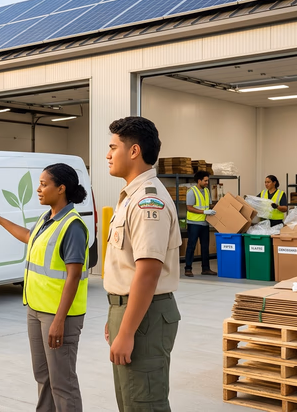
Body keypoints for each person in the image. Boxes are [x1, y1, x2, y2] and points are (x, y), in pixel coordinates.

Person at [0, 163, 89, 412]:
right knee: (43, 377)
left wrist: (59, 320)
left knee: (62, 382)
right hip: (36, 310)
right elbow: (28, 237)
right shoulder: (47, 217)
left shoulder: (72, 226)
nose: (38, 189)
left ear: (61, 188)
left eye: (43, 184)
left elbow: (73, 276)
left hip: (59, 315)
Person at [104, 117, 182, 412]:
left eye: (113, 147)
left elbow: (148, 273)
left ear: (133, 151)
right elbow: (126, 267)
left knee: (144, 403)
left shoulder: (148, 202)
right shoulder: (130, 197)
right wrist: (117, 314)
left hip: (146, 317)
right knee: (129, 399)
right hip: (131, 310)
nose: (108, 155)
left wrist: (126, 331)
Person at [184, 171, 217, 277]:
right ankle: (188, 268)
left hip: (204, 223)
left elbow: (208, 205)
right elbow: (189, 207)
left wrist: (216, 207)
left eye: (207, 180)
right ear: (199, 180)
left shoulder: (207, 191)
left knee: (205, 247)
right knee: (191, 246)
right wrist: (204, 212)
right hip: (194, 223)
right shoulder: (191, 192)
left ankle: (206, 268)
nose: (207, 182)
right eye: (205, 180)